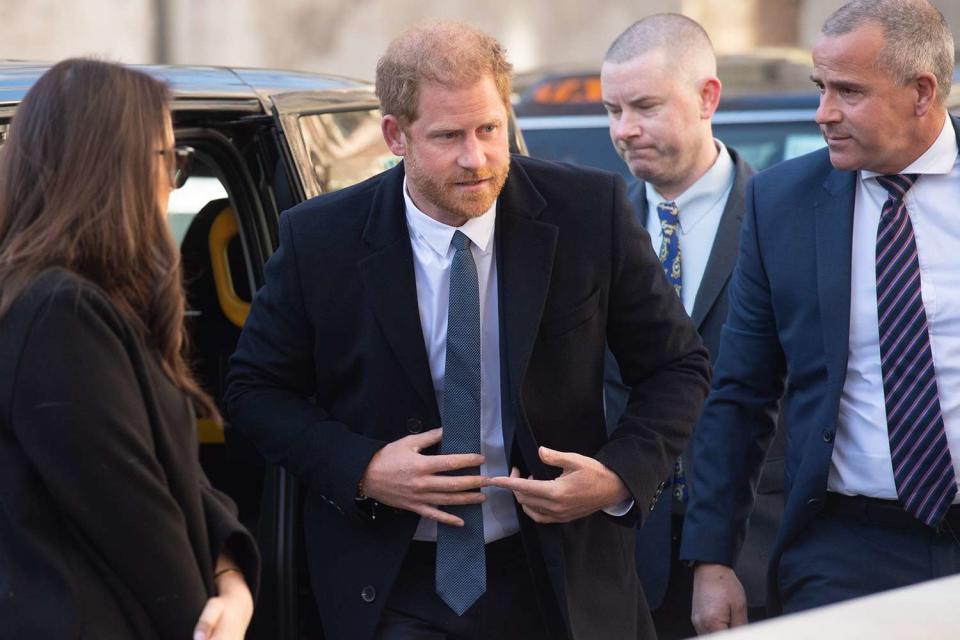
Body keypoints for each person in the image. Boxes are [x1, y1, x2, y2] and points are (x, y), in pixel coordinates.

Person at [226, 19, 710, 640]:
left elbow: (678, 366)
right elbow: (254, 390)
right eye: (448, 136)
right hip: (396, 578)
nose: (476, 158)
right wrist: (363, 467)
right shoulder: (320, 238)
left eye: (489, 129)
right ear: (395, 136)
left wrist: (616, 476)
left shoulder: (589, 212)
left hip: (562, 578)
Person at [678, 0, 960, 633]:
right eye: (821, 87)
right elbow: (740, 393)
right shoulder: (781, 203)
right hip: (846, 547)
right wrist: (712, 558)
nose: (824, 113)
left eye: (849, 92)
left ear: (922, 92)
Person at [0, 59, 259, 639]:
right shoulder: (58, 312)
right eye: (170, 160)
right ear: (108, 167)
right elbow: (134, 516)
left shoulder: (83, 298)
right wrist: (206, 611)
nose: (173, 182)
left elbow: (176, 476)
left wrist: (231, 575)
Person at [600, 14, 783, 638]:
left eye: (645, 106)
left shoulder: (783, 221)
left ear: (708, 97)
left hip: (757, 561)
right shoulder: (591, 231)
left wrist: (730, 555)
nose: (624, 130)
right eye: (613, 109)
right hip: (625, 561)